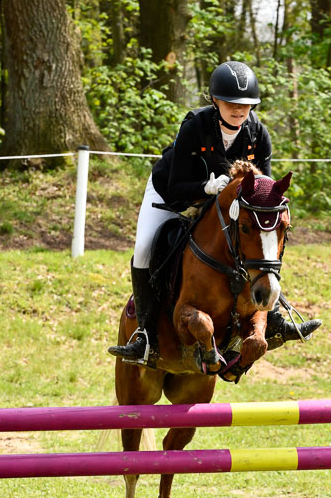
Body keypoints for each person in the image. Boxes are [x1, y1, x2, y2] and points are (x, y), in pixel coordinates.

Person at [109, 60, 315, 366]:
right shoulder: (195, 126)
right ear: (214, 100)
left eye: (245, 104)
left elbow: (263, 189)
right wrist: (206, 188)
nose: (238, 109)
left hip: (224, 204)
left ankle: (272, 319)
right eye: (231, 103)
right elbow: (177, 184)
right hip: (173, 194)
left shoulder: (258, 134)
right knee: (143, 249)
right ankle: (145, 335)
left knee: (258, 244)